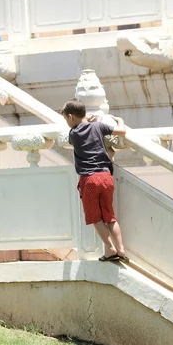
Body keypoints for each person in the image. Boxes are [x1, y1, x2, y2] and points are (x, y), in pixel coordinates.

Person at [62, 99, 129, 262]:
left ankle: (110, 249)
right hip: (106, 177)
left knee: (96, 218)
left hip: (89, 179)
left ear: (71, 117)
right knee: (110, 216)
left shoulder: (73, 134)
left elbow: (78, 129)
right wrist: (119, 120)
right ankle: (121, 249)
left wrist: (84, 121)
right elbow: (121, 131)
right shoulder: (99, 126)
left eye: (66, 119)